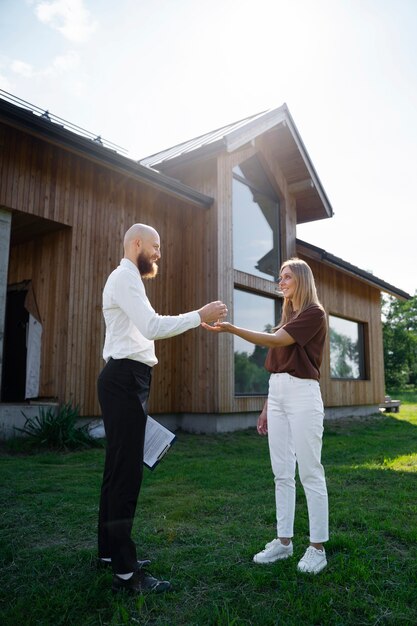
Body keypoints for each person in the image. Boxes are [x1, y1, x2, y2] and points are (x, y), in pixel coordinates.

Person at [97, 223, 228, 594]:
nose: (158, 254)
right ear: (135, 243)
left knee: (116, 470)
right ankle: (125, 572)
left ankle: (108, 553)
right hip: (124, 379)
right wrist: (199, 315)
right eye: (155, 246)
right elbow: (152, 327)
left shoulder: (129, 280)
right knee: (126, 475)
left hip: (125, 378)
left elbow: (145, 329)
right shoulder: (124, 278)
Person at [203, 258, 328, 574]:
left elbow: (276, 342)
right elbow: (277, 366)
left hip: (303, 394)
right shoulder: (287, 317)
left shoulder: (314, 313)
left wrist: (231, 329)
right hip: (279, 394)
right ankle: (284, 543)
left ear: (301, 280)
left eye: (286, 277)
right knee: (282, 472)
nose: (281, 282)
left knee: (310, 471)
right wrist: (266, 407)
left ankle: (317, 549)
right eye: (280, 278)